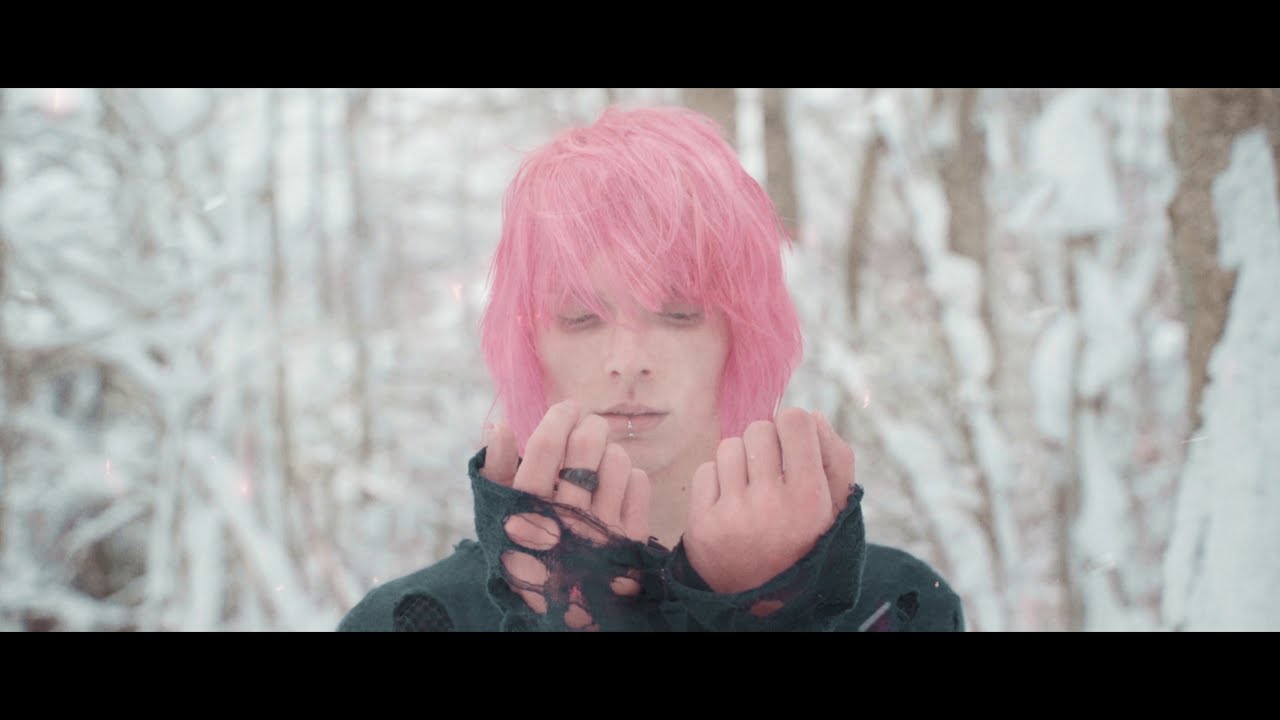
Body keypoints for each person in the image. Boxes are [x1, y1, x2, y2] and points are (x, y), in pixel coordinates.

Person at [338, 104, 964, 631]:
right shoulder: (412, 619)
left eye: (679, 313)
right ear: (528, 342)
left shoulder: (892, 606)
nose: (629, 362)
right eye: (581, 317)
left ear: (742, 333)